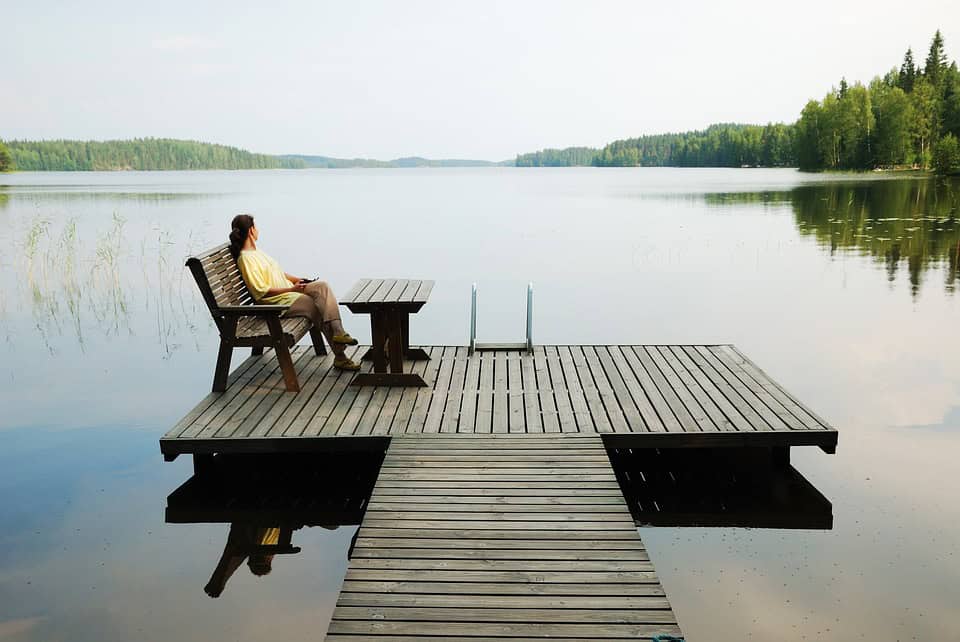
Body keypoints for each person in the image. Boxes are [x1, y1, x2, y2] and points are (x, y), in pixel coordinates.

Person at [228, 214, 360, 371]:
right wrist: (292, 289)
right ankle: (340, 357)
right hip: (277, 302)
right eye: (256, 227)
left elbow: (279, 273)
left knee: (322, 287)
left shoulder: (257, 252)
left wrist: (298, 280)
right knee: (316, 306)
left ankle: (339, 331)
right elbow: (261, 292)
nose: (259, 230)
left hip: (291, 292)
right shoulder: (246, 259)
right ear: (251, 231)